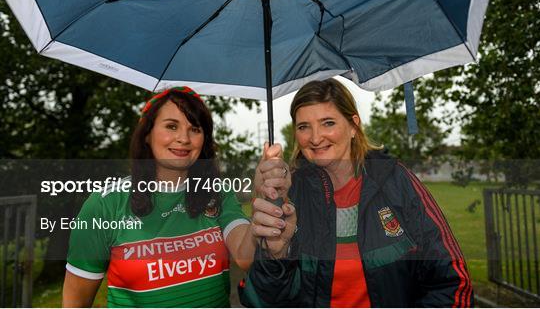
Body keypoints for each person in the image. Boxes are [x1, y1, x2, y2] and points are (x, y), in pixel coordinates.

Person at [242, 78, 473, 307]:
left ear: (353, 126)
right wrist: (276, 255)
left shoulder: (395, 180)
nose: (315, 137)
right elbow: (260, 300)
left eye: (328, 123)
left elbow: (453, 283)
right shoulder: (289, 195)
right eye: (304, 127)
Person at [63, 86, 257, 308]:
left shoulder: (218, 193)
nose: (183, 138)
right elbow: (75, 303)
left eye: (195, 129)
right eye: (171, 126)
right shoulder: (104, 204)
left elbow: (247, 258)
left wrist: (265, 202)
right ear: (147, 134)